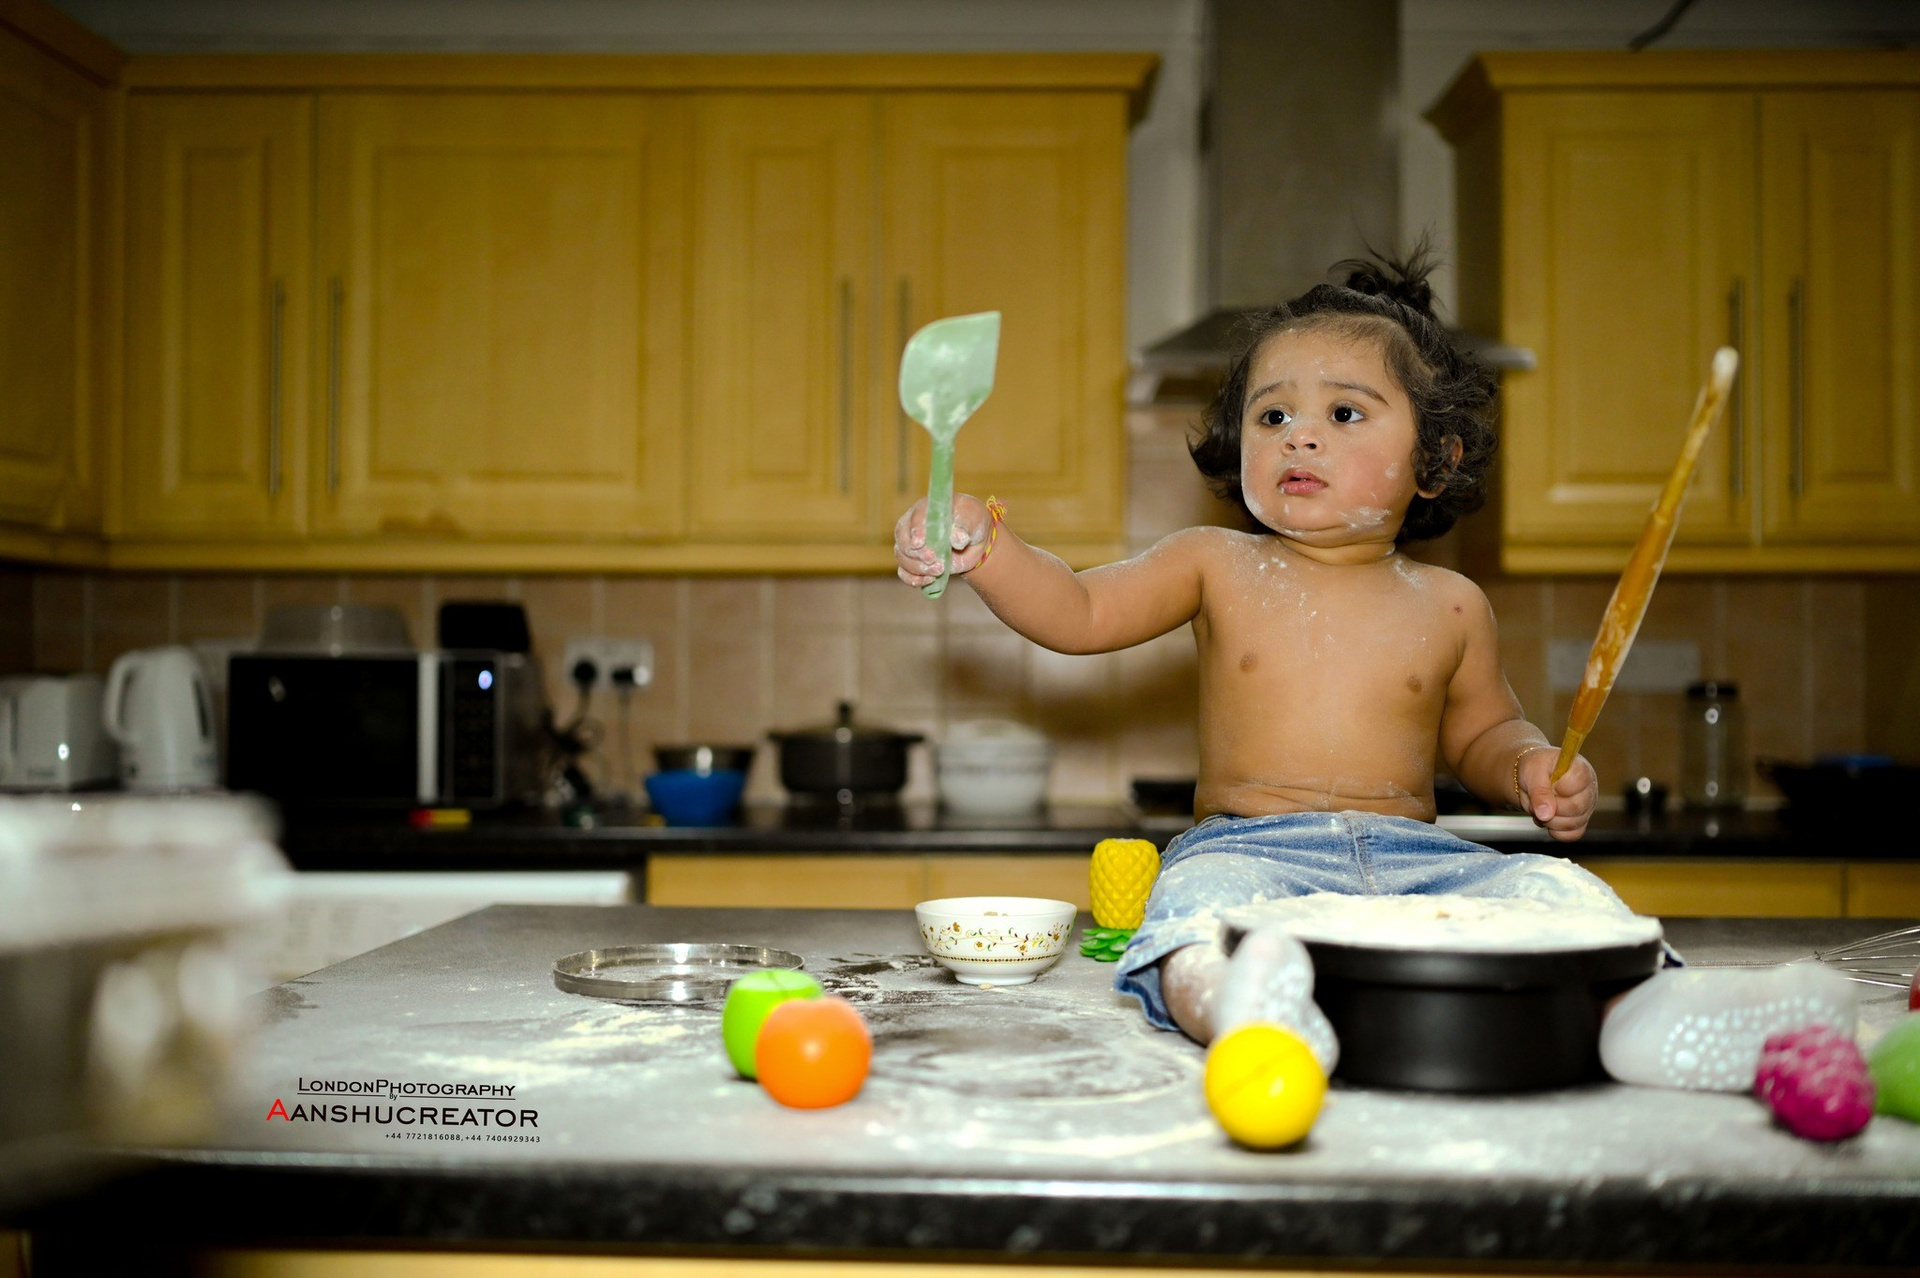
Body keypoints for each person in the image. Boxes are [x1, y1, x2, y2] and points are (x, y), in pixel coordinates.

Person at [893, 254, 1855, 1092]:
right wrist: (989, 548)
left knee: (1558, 895)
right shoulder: (1212, 562)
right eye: (1273, 414)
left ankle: (1642, 1013)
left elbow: (1484, 734)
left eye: (1344, 412)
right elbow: (1077, 610)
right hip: (1253, 851)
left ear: (1434, 460)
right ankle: (1244, 1009)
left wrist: (1531, 767)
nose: (1299, 435)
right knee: (1190, 912)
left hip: (1420, 864)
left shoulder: (1452, 604)